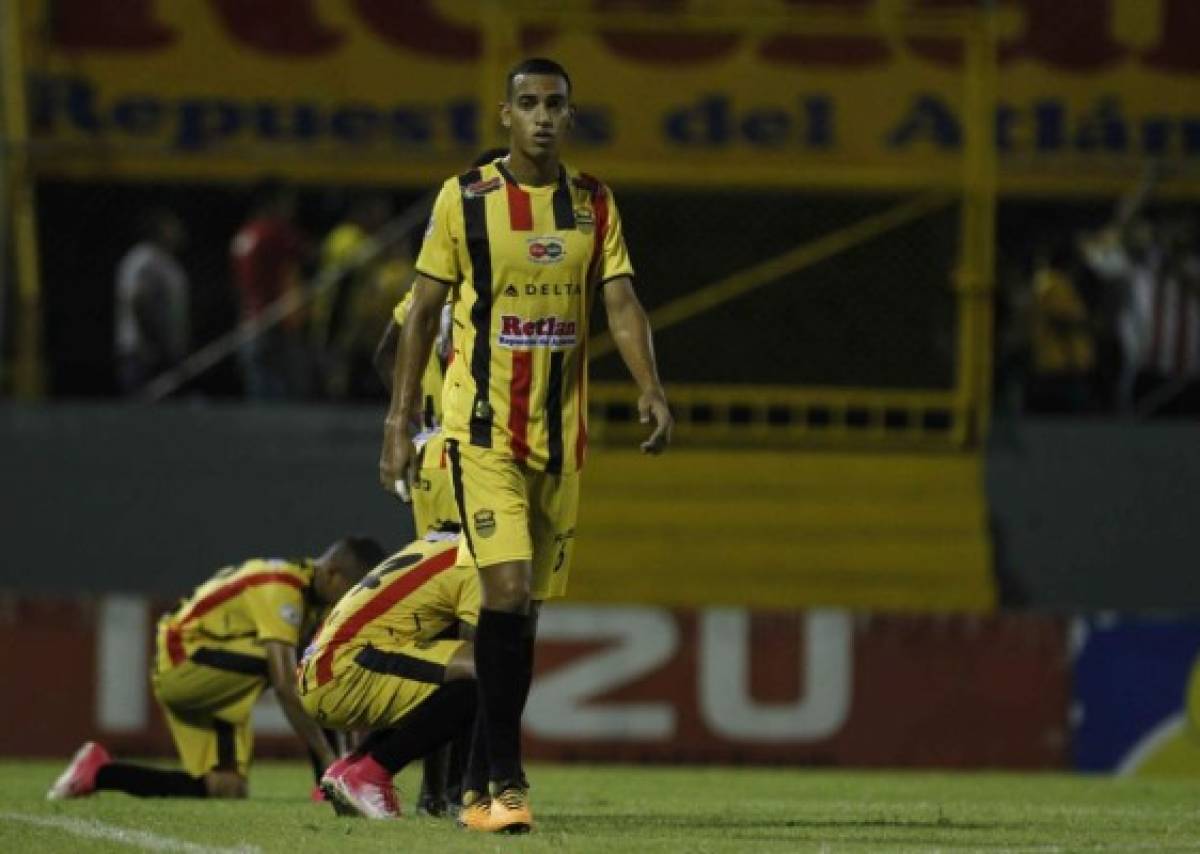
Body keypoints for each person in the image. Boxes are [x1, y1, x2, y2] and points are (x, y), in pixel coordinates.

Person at [383, 57, 673, 833]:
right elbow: (416, 319)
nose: (542, 116)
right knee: (503, 594)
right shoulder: (464, 200)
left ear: (570, 117)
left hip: (561, 438)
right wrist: (396, 422)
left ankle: (477, 787)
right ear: (504, 116)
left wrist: (650, 386)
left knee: (523, 618)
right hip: (480, 434)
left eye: (555, 104)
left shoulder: (595, 205)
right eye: (528, 103)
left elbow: (621, 303)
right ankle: (506, 777)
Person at [47, 537, 385, 801]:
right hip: (184, 665)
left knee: (227, 788)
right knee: (297, 670)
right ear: (331, 574)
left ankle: (99, 773)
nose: (350, 599)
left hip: (220, 683)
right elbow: (285, 685)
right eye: (350, 589)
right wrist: (330, 758)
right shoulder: (280, 586)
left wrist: (351, 746)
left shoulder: (314, 601)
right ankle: (328, 786)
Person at [230, 180, 312, 400]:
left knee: (257, 388)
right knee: (285, 392)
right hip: (275, 322)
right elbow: (307, 253)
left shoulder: (244, 234)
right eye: (287, 202)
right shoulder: (274, 232)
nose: (291, 209)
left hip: (248, 321)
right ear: (273, 203)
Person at [113, 208, 190, 394]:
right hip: (144, 354)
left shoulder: (166, 261)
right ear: (158, 229)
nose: (177, 231)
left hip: (165, 351)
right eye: (172, 226)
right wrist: (153, 345)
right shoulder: (143, 259)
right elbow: (137, 301)